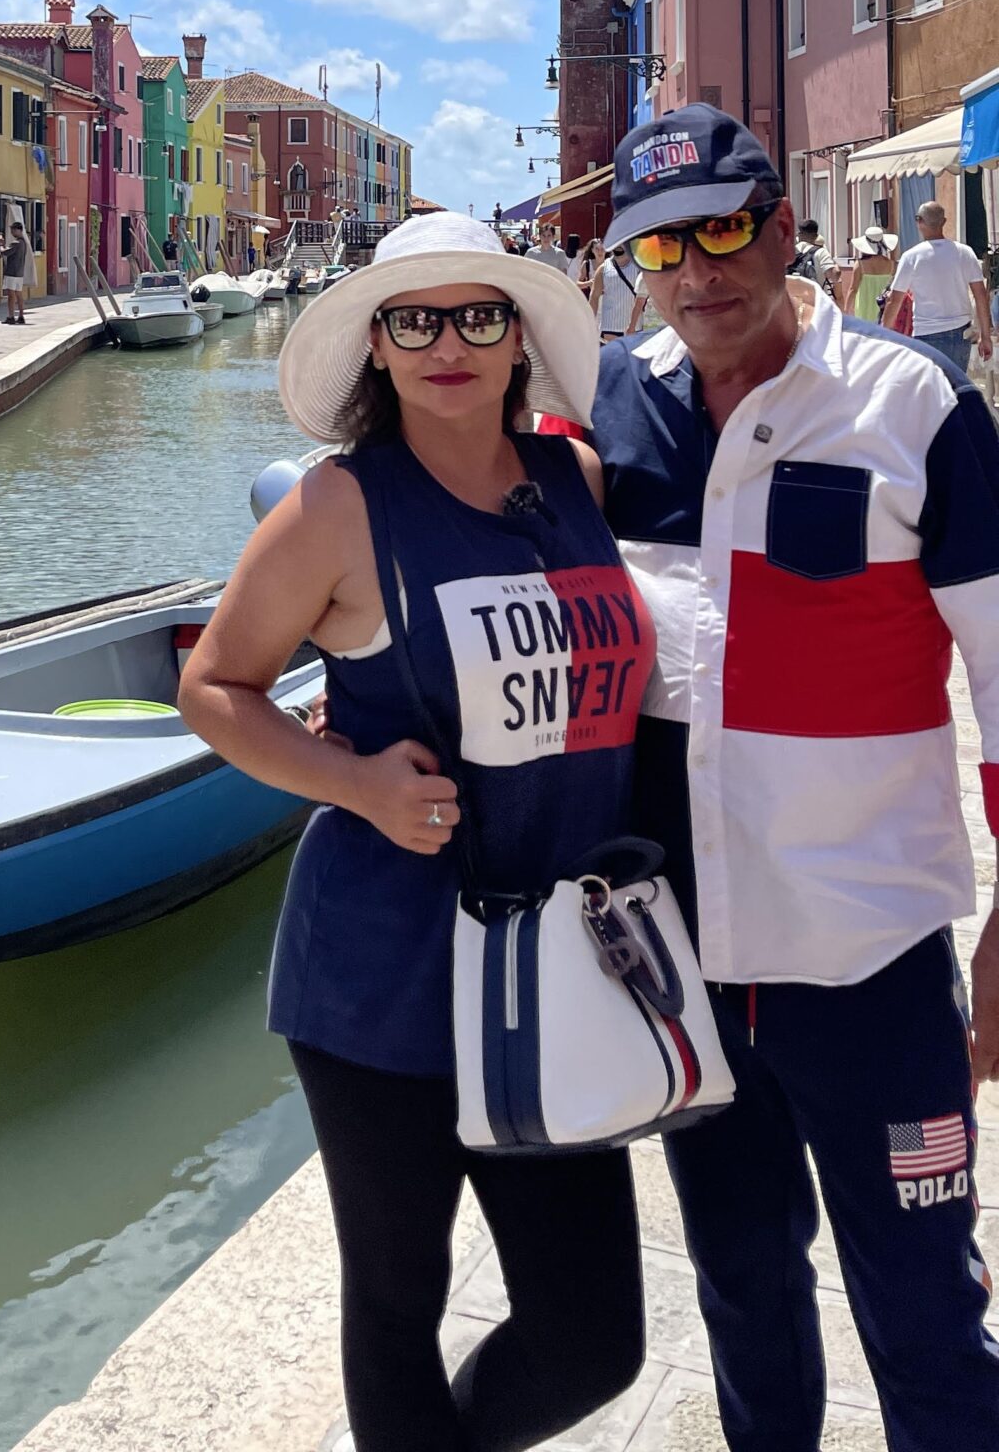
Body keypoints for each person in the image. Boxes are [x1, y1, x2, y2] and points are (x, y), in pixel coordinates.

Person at [180, 213, 650, 1452]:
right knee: (397, 1302)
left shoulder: (575, 482)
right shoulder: (340, 506)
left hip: (554, 968)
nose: (449, 342)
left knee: (597, 1331)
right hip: (384, 972)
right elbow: (215, 687)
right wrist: (356, 781)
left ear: (517, 345)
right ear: (376, 348)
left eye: (479, 316)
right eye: (415, 319)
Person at [594, 104, 999, 1450]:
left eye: (720, 228)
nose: (697, 270)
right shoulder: (614, 411)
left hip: (871, 962)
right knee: (746, 1299)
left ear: (778, 225)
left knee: (929, 1320)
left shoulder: (914, 404)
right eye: (661, 245)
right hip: (688, 974)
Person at [883, 197, 992, 371]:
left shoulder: (911, 257)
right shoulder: (965, 253)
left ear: (919, 222)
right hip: (960, 334)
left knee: (931, 393)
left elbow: (894, 300)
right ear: (944, 222)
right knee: (955, 391)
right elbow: (981, 295)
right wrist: (985, 336)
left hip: (927, 335)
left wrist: (884, 334)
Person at [835, 221, 897, 323]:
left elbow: (853, 289)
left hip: (864, 306)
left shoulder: (860, 265)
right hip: (884, 306)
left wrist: (846, 309)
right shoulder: (892, 265)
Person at [589, 238, 644, 342]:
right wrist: (590, 322)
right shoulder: (603, 268)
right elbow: (594, 297)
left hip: (634, 325)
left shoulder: (638, 266)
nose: (618, 245)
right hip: (610, 326)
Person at [0, 216, 35, 324]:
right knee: (19, 295)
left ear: (19, 230)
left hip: (12, 272)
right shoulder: (24, 243)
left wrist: (0, 244)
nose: (12, 231)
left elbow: (4, 252)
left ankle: (11, 316)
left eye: (13, 229)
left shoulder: (16, 243)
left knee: (11, 295)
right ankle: (21, 316)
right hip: (19, 273)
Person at [788, 216, 836, 295]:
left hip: (793, 299)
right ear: (816, 236)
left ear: (799, 235)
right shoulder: (821, 252)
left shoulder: (790, 251)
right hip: (815, 300)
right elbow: (834, 275)